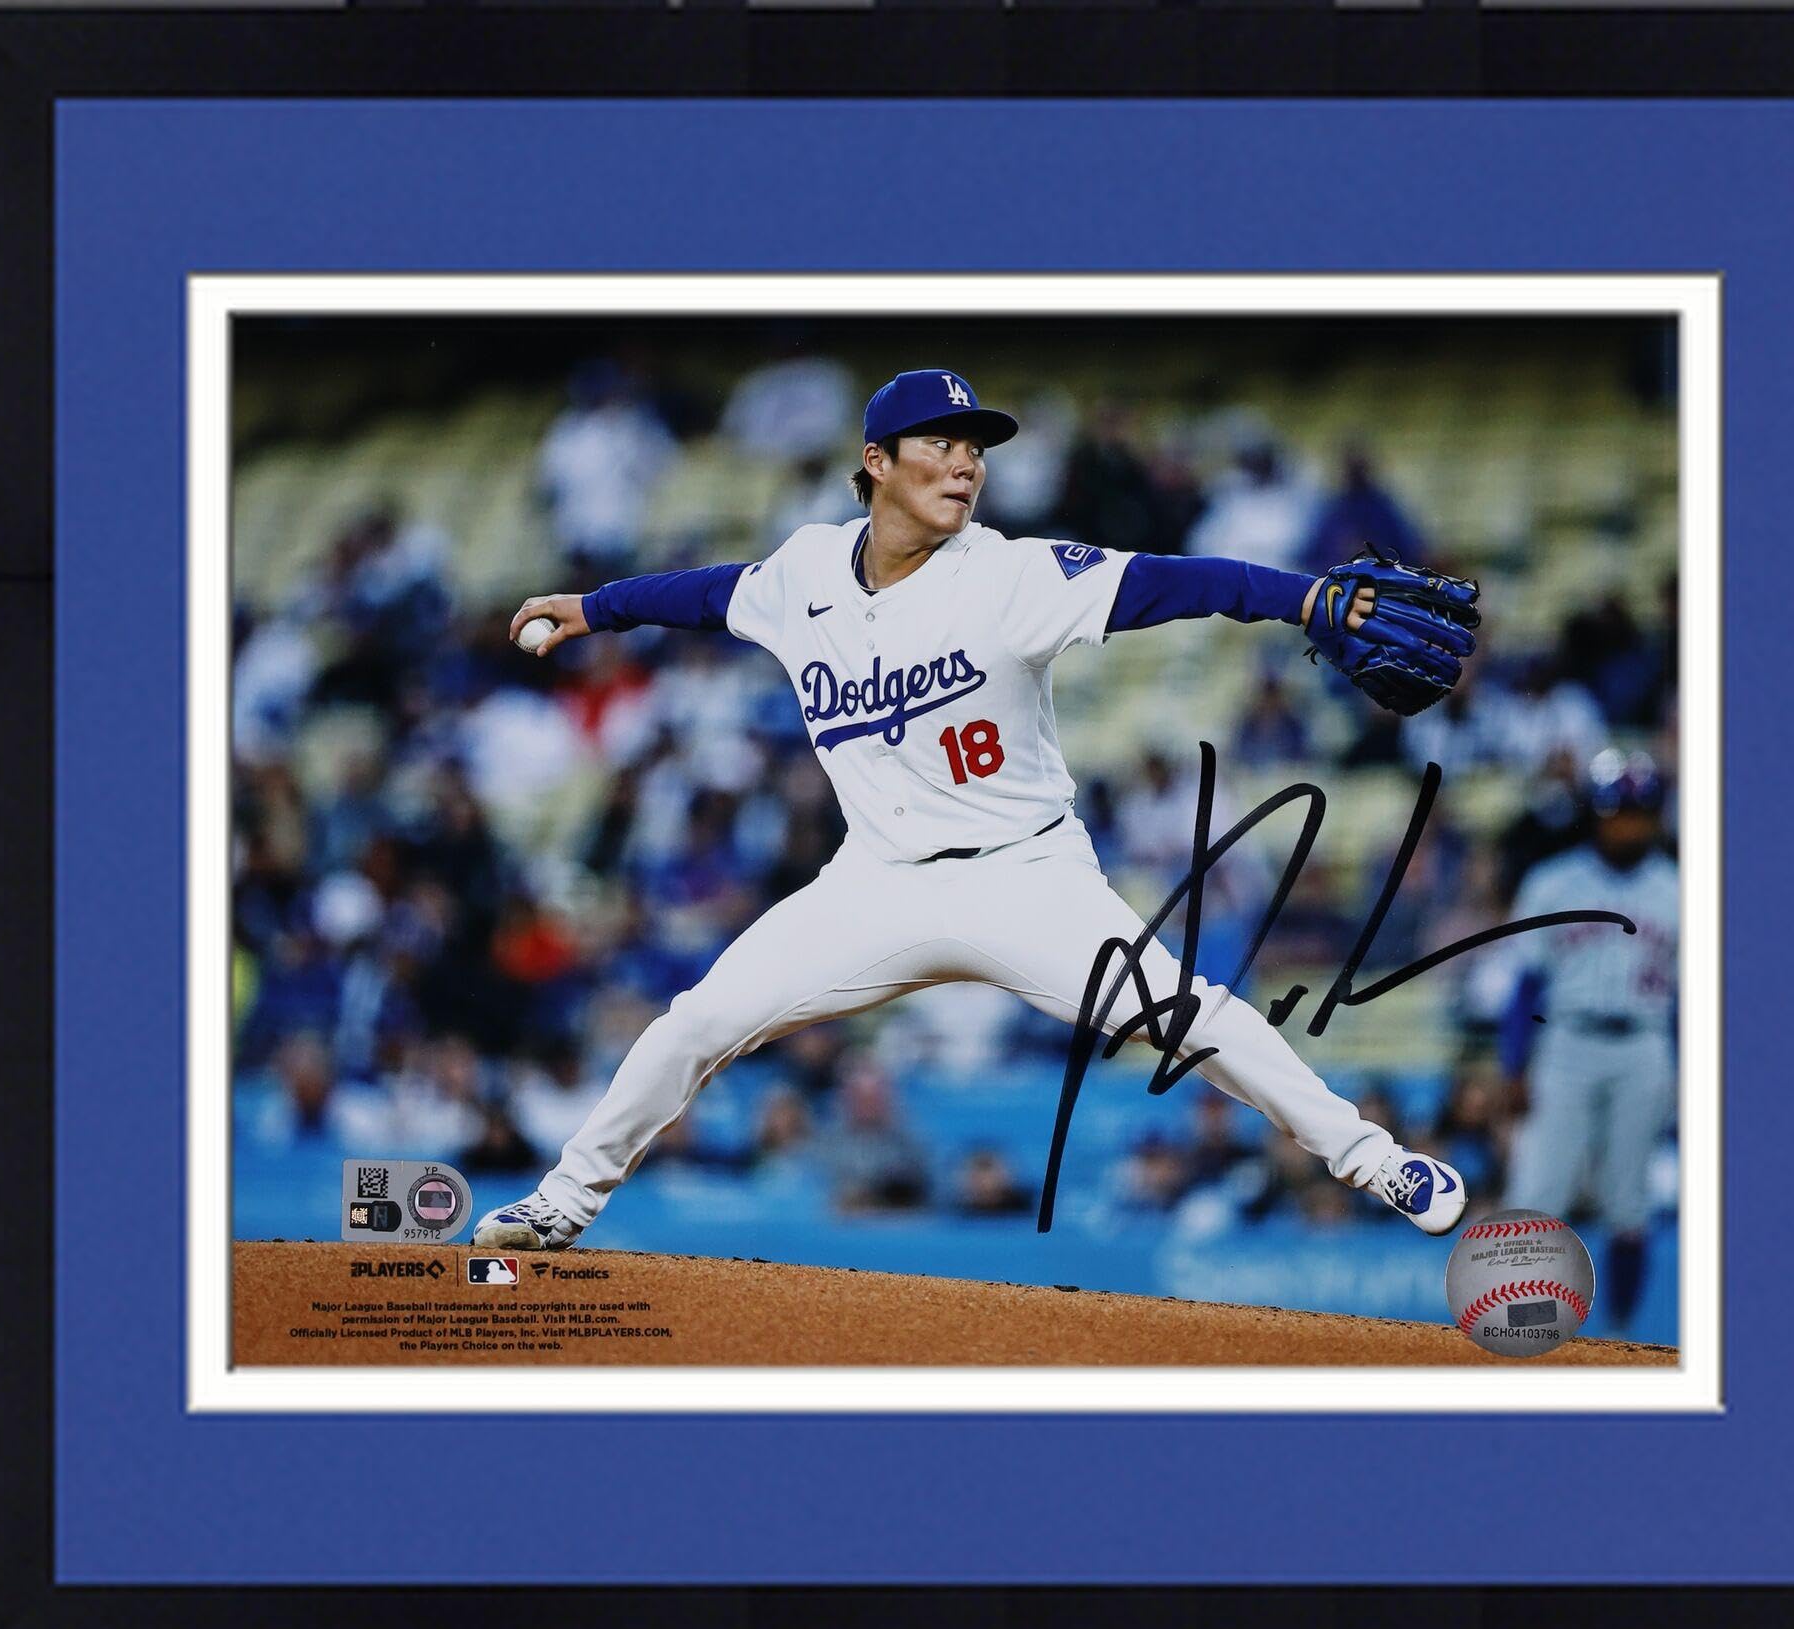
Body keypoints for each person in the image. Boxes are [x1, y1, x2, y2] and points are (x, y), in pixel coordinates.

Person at [474, 369, 1474, 1252]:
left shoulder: (1008, 574)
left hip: (1025, 879)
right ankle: (560, 1205)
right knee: (695, 1023)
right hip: (871, 884)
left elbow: (1177, 583)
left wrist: (1303, 601)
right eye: (940, 445)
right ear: (875, 462)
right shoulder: (805, 574)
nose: (965, 466)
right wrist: (593, 607)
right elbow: (707, 594)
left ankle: (1374, 1161)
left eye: (975, 448)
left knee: (1183, 1018)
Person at [1497, 749, 1678, 1332]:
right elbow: (1525, 984)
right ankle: (1522, 1331)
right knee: (1540, 1189)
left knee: (1630, 1200)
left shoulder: (1681, 890)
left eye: (1637, 812)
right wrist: (1513, 1064)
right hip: (1568, 1043)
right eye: (1615, 812)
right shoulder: (1553, 883)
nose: (1626, 823)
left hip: (1644, 1045)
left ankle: (1622, 1337)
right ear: (1594, 815)